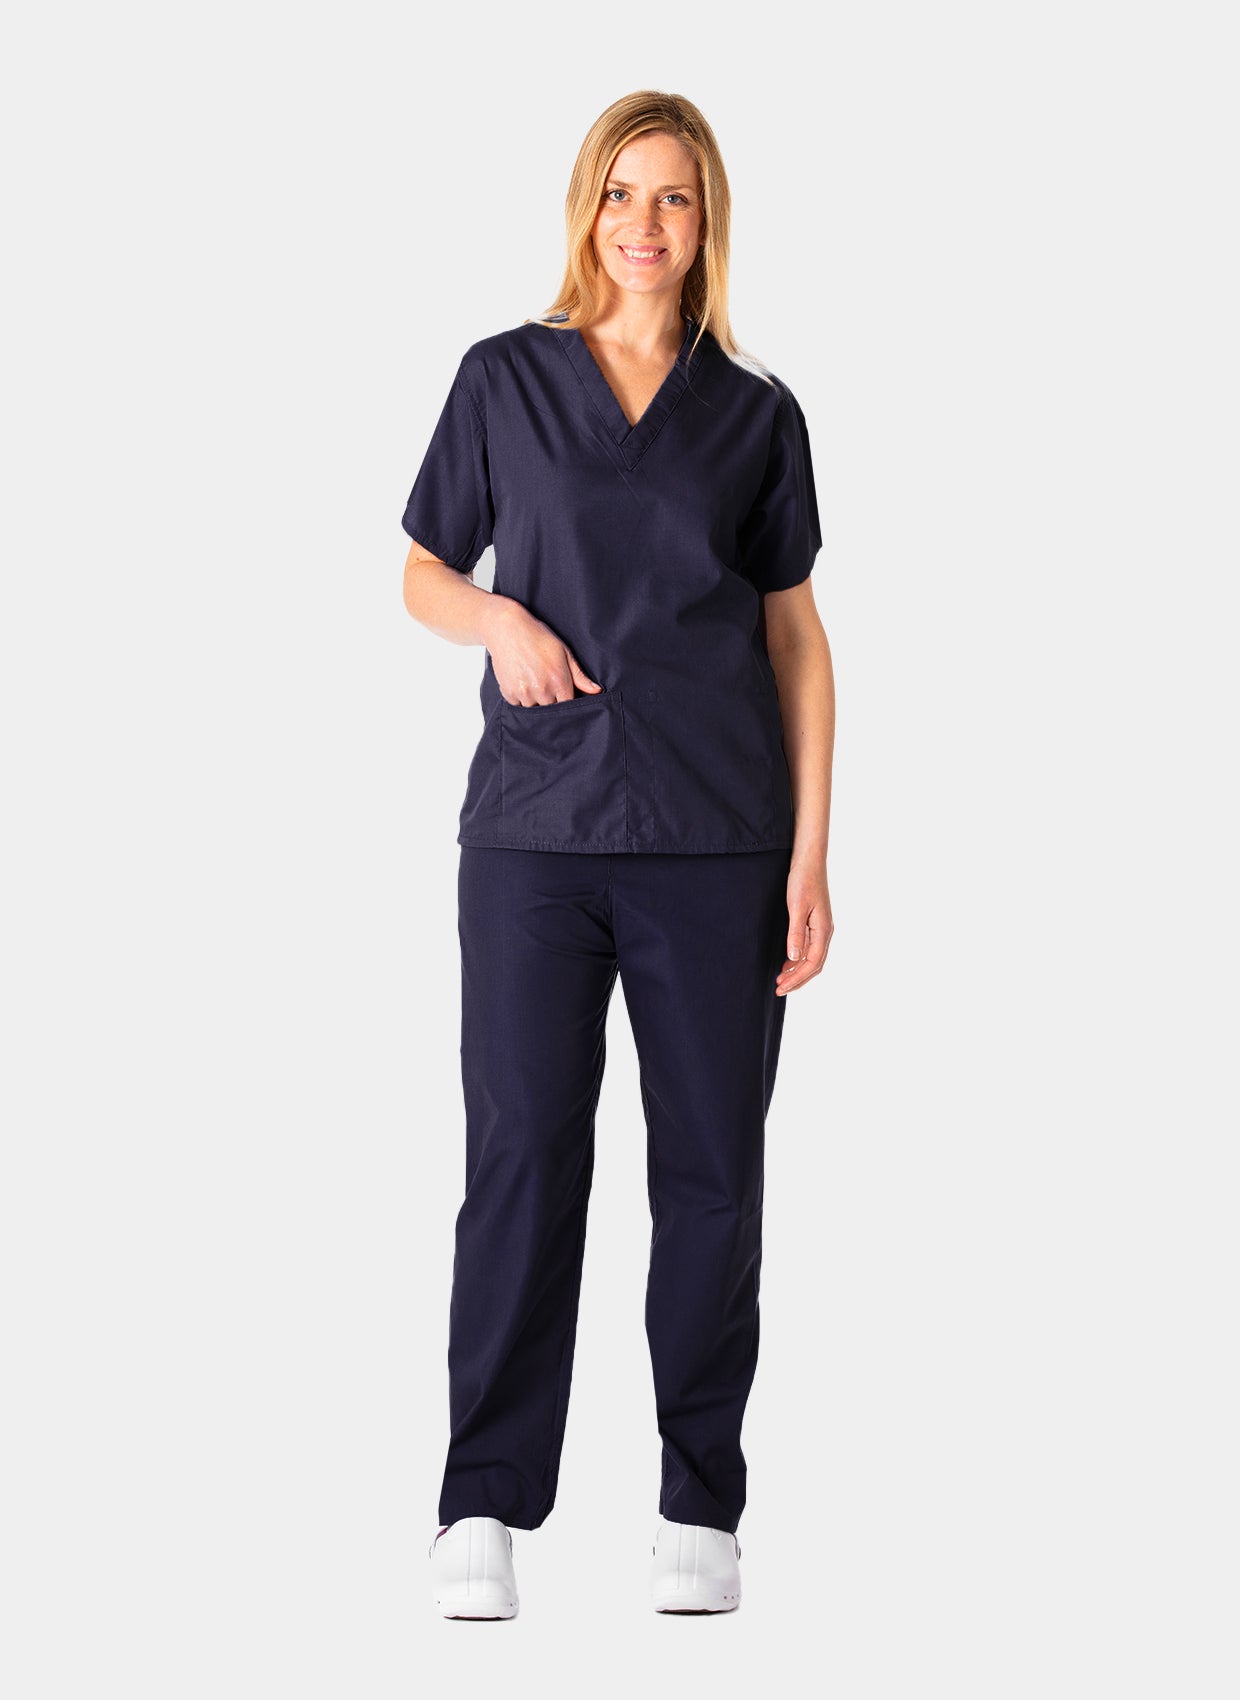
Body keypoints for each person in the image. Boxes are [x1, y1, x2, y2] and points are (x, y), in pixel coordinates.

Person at [401, 90, 835, 1619]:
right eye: (622, 194)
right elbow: (422, 572)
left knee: (713, 1174)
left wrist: (811, 854)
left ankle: (699, 1505)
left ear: (708, 224)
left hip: (719, 840)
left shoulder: (755, 414)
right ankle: (482, 1503)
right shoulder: (503, 380)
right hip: (534, 839)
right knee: (523, 1156)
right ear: (587, 209)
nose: (645, 224)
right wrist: (498, 619)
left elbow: (795, 637)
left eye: (675, 198)